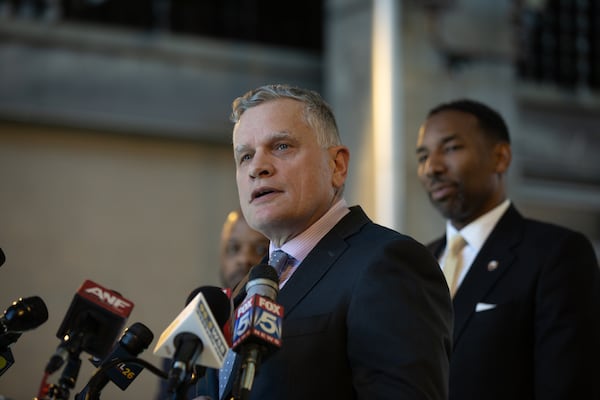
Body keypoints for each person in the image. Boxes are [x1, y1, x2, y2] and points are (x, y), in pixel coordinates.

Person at [194, 84, 453, 400]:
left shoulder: (387, 263)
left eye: (282, 146)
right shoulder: (248, 288)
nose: (257, 168)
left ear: (338, 165)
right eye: (245, 156)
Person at [415, 98, 600, 400]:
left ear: (500, 157)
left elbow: (569, 386)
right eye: (423, 156)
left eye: (450, 149)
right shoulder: (415, 262)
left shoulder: (556, 254)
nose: (432, 167)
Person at [155, 209, 268, 399]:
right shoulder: (188, 333)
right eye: (234, 248)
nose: (244, 259)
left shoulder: (275, 327)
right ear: (221, 256)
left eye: (260, 250)